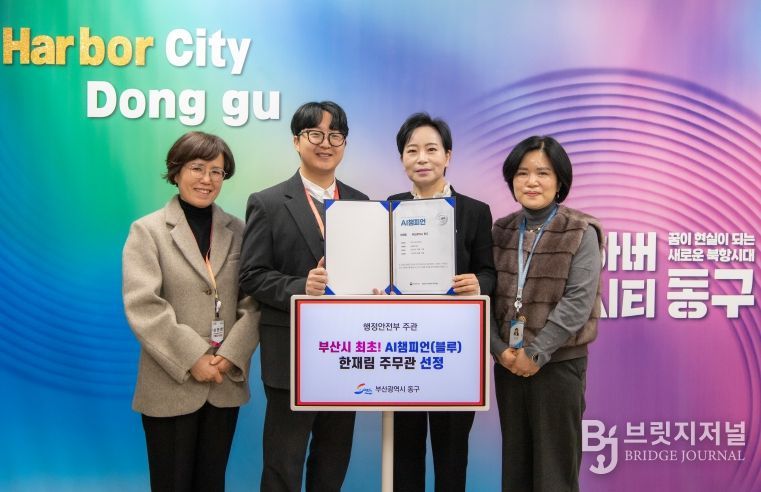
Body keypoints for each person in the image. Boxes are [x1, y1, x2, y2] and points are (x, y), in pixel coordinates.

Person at [239, 101, 368, 492]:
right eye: (315, 134)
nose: (325, 143)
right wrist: (301, 287)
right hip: (291, 355)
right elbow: (252, 276)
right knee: (283, 463)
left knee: (333, 460)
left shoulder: (363, 204)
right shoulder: (268, 202)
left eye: (335, 135)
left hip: (347, 354)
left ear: (344, 144)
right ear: (297, 141)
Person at [122, 131, 261, 491]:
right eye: (197, 168)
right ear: (177, 171)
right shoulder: (147, 231)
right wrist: (193, 357)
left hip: (223, 381)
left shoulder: (240, 231)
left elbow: (253, 303)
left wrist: (230, 355)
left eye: (217, 171)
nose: (207, 179)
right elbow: (143, 305)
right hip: (171, 382)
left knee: (212, 483)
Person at [388, 112, 496, 492]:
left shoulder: (475, 211)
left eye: (431, 149)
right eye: (412, 150)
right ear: (402, 158)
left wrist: (477, 283)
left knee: (452, 454)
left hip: (455, 350)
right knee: (405, 451)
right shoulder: (389, 208)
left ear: (448, 156)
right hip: (403, 347)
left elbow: (489, 272)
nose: (422, 158)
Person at [491, 135, 604, 492]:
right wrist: (499, 350)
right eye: (522, 173)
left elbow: (578, 301)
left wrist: (536, 353)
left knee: (554, 473)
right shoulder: (501, 230)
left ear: (559, 181)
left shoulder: (580, 230)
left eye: (543, 173)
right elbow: (487, 296)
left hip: (558, 365)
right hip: (509, 365)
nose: (532, 182)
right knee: (516, 470)